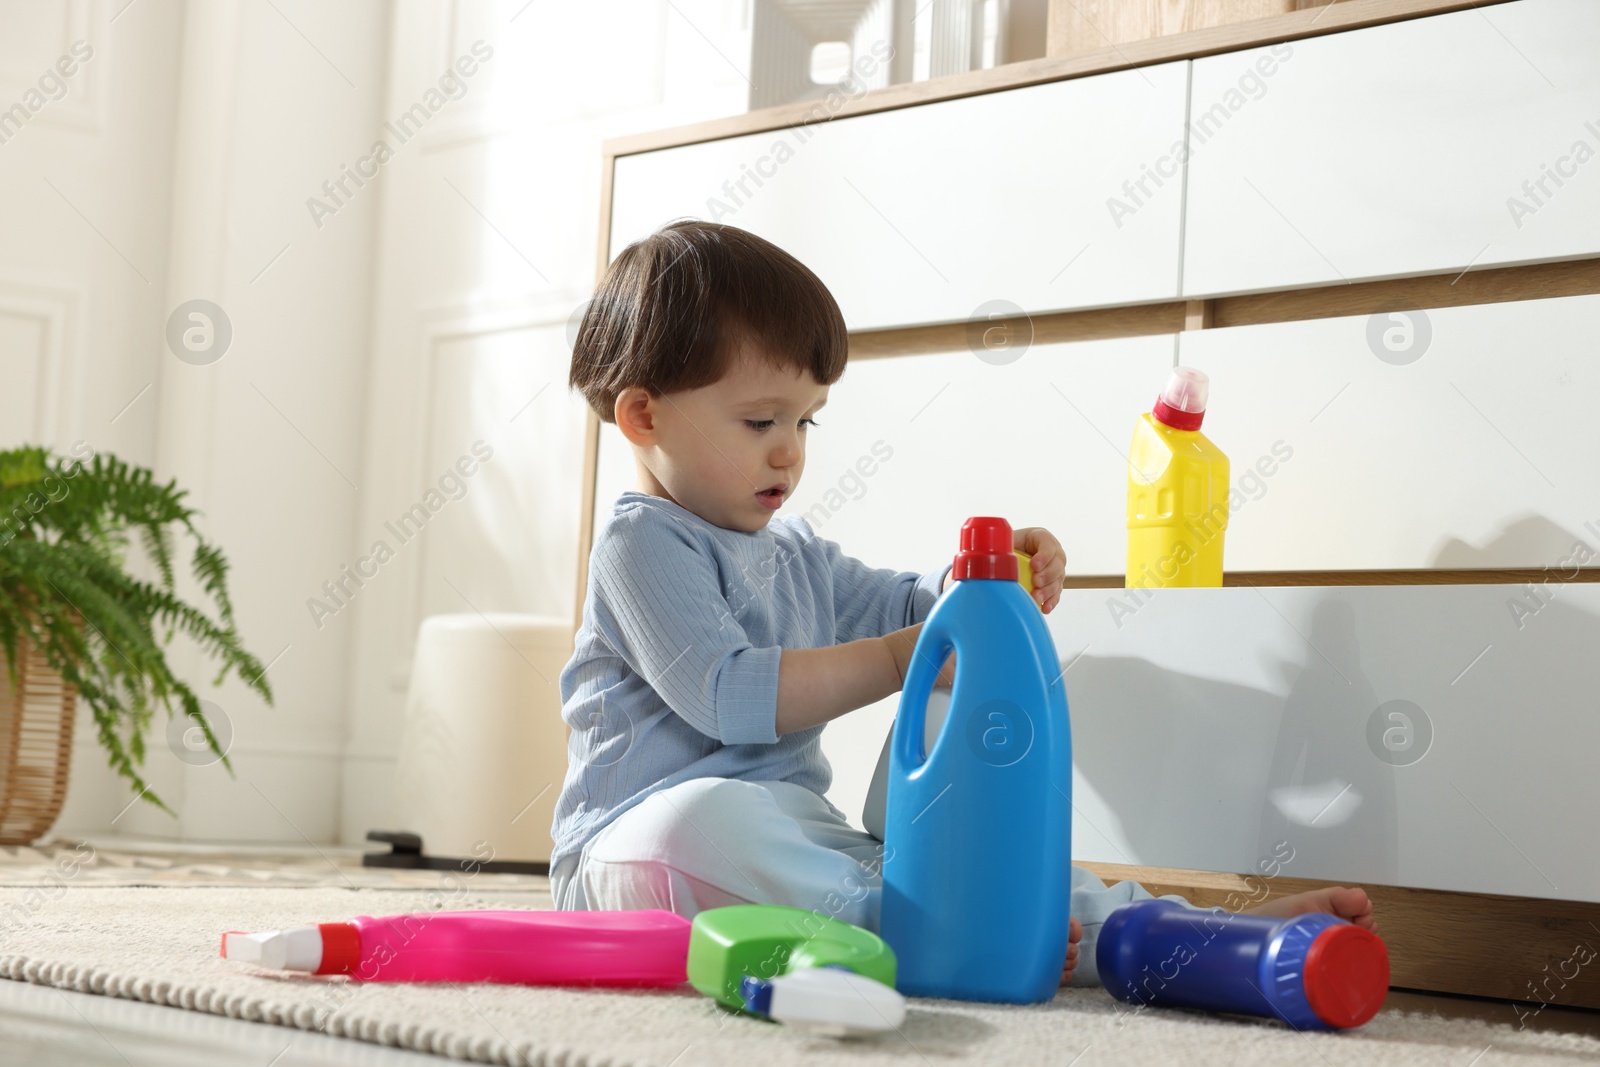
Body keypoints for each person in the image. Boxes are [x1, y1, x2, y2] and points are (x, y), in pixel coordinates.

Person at [549, 219, 1375, 986]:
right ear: (642, 413)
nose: (788, 450)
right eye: (761, 418)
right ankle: (945, 934)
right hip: (634, 850)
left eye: (807, 422)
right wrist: (900, 652)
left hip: (799, 836)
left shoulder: (793, 550)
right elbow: (728, 695)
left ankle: (1176, 933)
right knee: (699, 822)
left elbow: (909, 607)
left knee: (956, 757)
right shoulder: (641, 546)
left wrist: (983, 587)